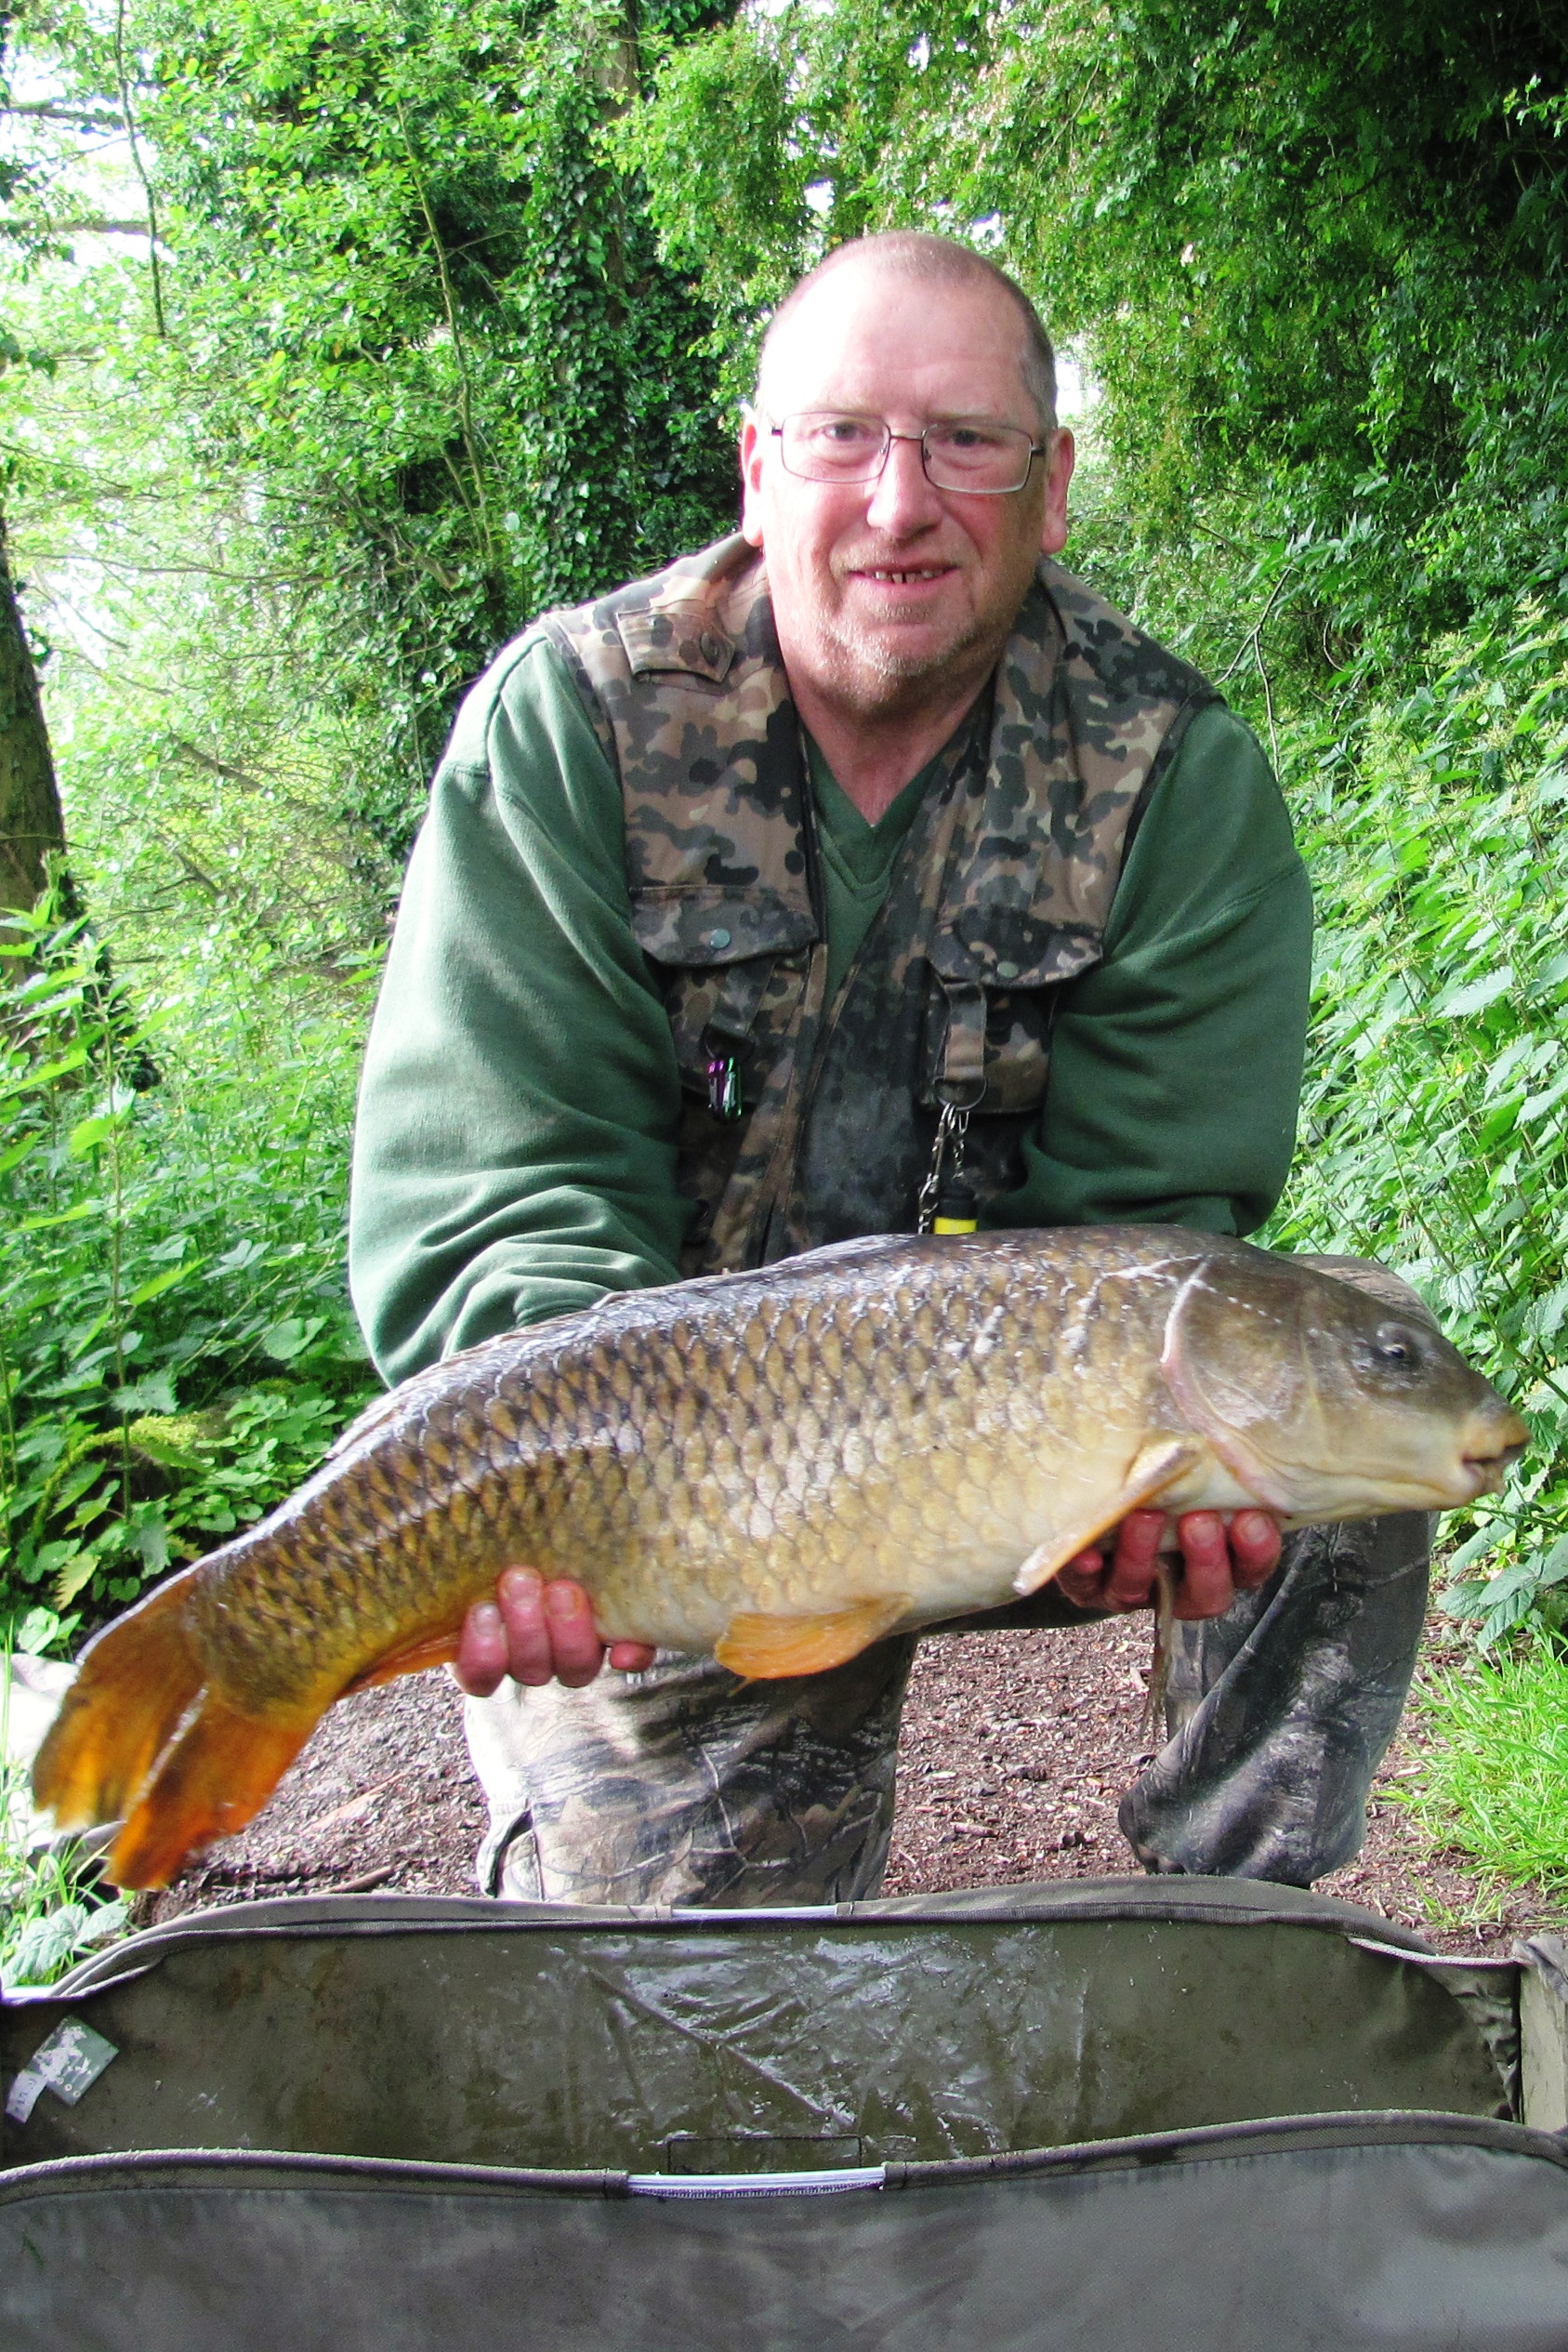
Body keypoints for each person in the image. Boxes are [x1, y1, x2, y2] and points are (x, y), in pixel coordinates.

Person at [349, 231, 1430, 1906]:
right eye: (844, 434)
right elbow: (506, 1196)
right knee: (715, 1998)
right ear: (761, 468)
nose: (900, 501)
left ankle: (1230, 1933)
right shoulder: (573, 727)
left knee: (1355, 1406)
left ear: (1052, 484)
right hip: (682, 1475)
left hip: (1010, 1441)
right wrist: (553, 1496)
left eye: (967, 442)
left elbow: (1147, 1232)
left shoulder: (1170, 776)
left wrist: (1154, 1482)